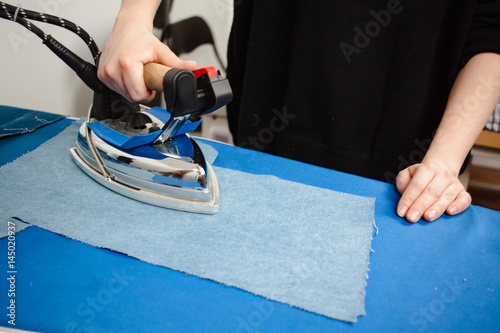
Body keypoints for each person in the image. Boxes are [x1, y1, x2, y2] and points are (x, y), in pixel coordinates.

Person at [97, 0, 500, 223]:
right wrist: (132, 19)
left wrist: (443, 164)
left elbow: (490, 32)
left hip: (412, 174)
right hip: (265, 139)